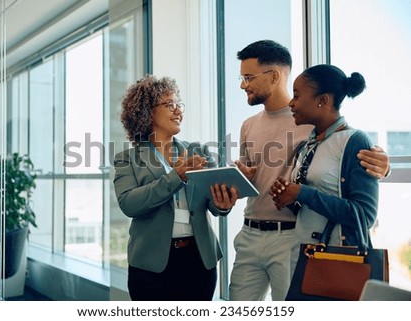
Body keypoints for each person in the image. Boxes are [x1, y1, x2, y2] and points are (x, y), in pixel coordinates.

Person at [229, 40, 389, 301]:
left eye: (248, 77)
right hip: (254, 234)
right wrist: (237, 186)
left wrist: (385, 165)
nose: (242, 84)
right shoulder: (267, 129)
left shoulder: (322, 129)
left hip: (299, 241)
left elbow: (357, 191)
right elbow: (293, 189)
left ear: (273, 76)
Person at [113, 75, 238, 301]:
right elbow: (130, 204)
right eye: (169, 105)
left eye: (178, 105)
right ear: (146, 112)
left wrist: (223, 204)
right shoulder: (127, 159)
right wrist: (175, 176)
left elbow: (214, 204)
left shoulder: (198, 151)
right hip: (151, 265)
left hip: (199, 260)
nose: (178, 111)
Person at [269, 64, 378, 280]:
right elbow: (309, 208)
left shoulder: (354, 141)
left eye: (297, 96)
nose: (291, 103)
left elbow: (364, 216)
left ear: (323, 100)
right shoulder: (307, 144)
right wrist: (288, 197)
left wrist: (301, 193)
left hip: (337, 259)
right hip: (302, 256)